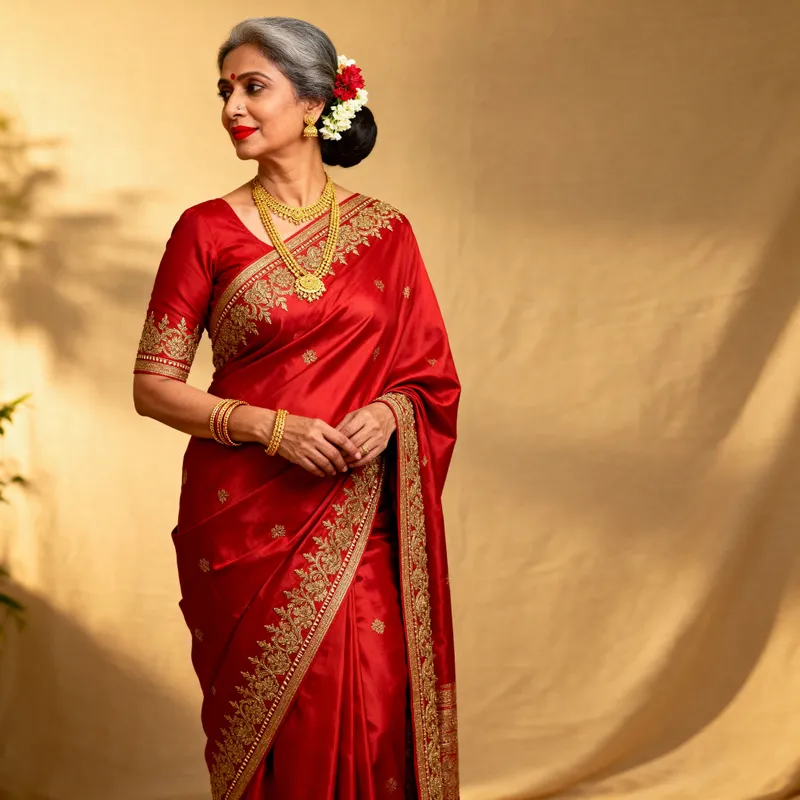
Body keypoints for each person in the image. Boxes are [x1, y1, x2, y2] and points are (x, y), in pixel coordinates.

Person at [132, 16, 460, 800]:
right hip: (242, 519)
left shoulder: (387, 233)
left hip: (357, 511)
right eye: (226, 91)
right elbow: (153, 385)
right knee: (270, 724)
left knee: (370, 698)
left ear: (315, 104)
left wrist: (388, 415)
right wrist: (268, 426)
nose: (232, 108)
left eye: (254, 87)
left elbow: (430, 379)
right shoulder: (204, 231)